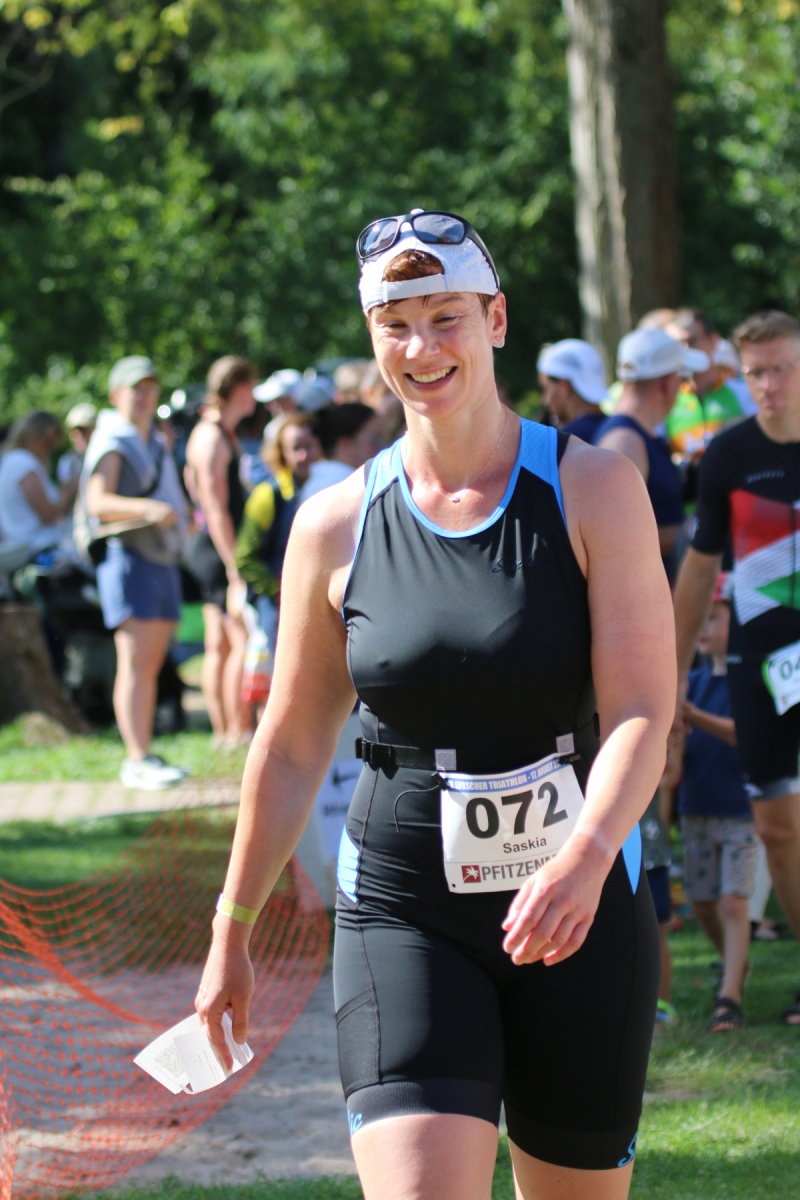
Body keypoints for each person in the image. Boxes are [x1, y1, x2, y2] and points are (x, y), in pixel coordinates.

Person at [196, 208, 675, 1200]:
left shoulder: (592, 488)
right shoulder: (332, 524)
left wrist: (587, 858)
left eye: (445, 317)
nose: (421, 348)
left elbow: (640, 708)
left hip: (578, 899)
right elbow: (290, 743)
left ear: (495, 319)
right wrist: (230, 928)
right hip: (402, 906)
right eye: (396, 325)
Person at [673, 309, 800, 1026]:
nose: (769, 385)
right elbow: (698, 571)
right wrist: (669, 672)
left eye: (782, 368)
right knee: (777, 828)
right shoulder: (727, 455)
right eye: (756, 373)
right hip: (760, 663)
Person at [82, 356, 188, 789]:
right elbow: (97, 503)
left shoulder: (153, 438)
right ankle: (136, 758)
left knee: (151, 663)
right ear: (115, 395)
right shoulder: (112, 439)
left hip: (159, 557)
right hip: (128, 557)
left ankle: (144, 752)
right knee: (136, 663)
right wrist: (146, 508)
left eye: (149, 387)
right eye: (135, 389)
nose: (144, 396)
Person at [665, 575, 757, 1032]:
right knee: (702, 904)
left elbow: (744, 734)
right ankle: (737, 965)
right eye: (699, 619)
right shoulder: (693, 682)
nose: (701, 628)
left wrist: (692, 716)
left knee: (733, 902)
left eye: (713, 618)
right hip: (696, 808)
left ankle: (730, 998)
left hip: (740, 810)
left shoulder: (747, 681)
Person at [595, 328, 708, 580]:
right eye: (682, 379)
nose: (684, 388)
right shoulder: (624, 441)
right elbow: (614, 538)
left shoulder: (636, 436)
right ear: (667, 384)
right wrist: (698, 529)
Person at [185, 356, 256, 747]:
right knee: (239, 638)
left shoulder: (209, 430)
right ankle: (237, 729)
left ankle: (224, 730)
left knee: (219, 643)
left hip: (210, 546)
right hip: (219, 550)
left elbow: (191, 484)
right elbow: (214, 508)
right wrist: (234, 566)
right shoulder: (213, 436)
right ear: (239, 387)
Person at [234, 411, 318, 650]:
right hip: (279, 608)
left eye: (309, 446)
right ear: (282, 453)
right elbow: (244, 558)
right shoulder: (267, 495)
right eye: (296, 448)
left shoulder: (334, 485)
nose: (304, 456)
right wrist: (279, 592)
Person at [665, 308, 758, 462]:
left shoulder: (744, 393)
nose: (686, 350)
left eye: (692, 341)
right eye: (679, 345)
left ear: (714, 341)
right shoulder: (666, 399)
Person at [639, 792, 675, 1025]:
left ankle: (662, 1004)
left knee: (656, 931)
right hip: (604, 855)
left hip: (650, 852)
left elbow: (668, 780)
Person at [301, 403, 384, 501]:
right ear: (344, 443)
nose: (383, 447)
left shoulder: (320, 481)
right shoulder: (344, 486)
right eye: (375, 439)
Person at [537, 339, 608, 443]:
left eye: (546, 389)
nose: (545, 401)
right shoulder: (620, 430)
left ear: (564, 386)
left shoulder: (560, 444)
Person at [58, 401, 97, 491]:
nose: (80, 436)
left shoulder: (105, 455)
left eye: (84, 430)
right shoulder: (67, 461)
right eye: (75, 432)